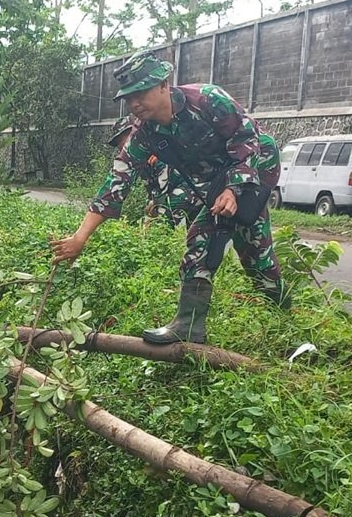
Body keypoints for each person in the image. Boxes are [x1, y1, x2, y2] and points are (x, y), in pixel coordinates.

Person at [51, 49, 289, 345]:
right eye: (128, 97)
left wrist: (233, 188)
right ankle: (197, 326)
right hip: (215, 180)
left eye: (141, 93)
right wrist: (80, 237)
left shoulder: (207, 100)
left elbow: (247, 139)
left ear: (164, 84)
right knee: (232, 247)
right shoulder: (144, 133)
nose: (135, 103)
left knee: (234, 246)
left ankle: (283, 321)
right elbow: (117, 181)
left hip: (256, 166)